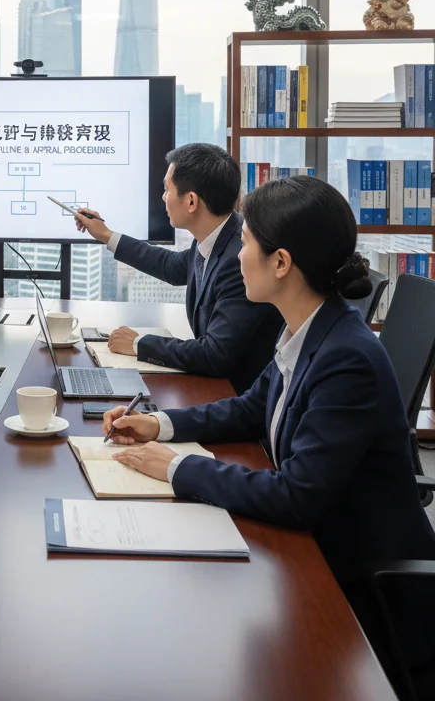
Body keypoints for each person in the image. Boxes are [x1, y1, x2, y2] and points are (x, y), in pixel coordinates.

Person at [102, 175, 435, 688]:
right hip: (314, 557)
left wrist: (178, 468)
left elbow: (295, 496)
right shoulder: (306, 326)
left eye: (247, 242)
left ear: (281, 263)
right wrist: (159, 423)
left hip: (366, 597)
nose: (238, 256)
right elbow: (252, 408)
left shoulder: (347, 358)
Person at [74, 142, 282, 393]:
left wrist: (139, 344)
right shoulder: (217, 236)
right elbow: (171, 266)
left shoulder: (238, 258)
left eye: (167, 189)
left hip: (237, 396)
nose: (164, 197)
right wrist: (107, 235)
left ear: (191, 201)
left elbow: (215, 354)